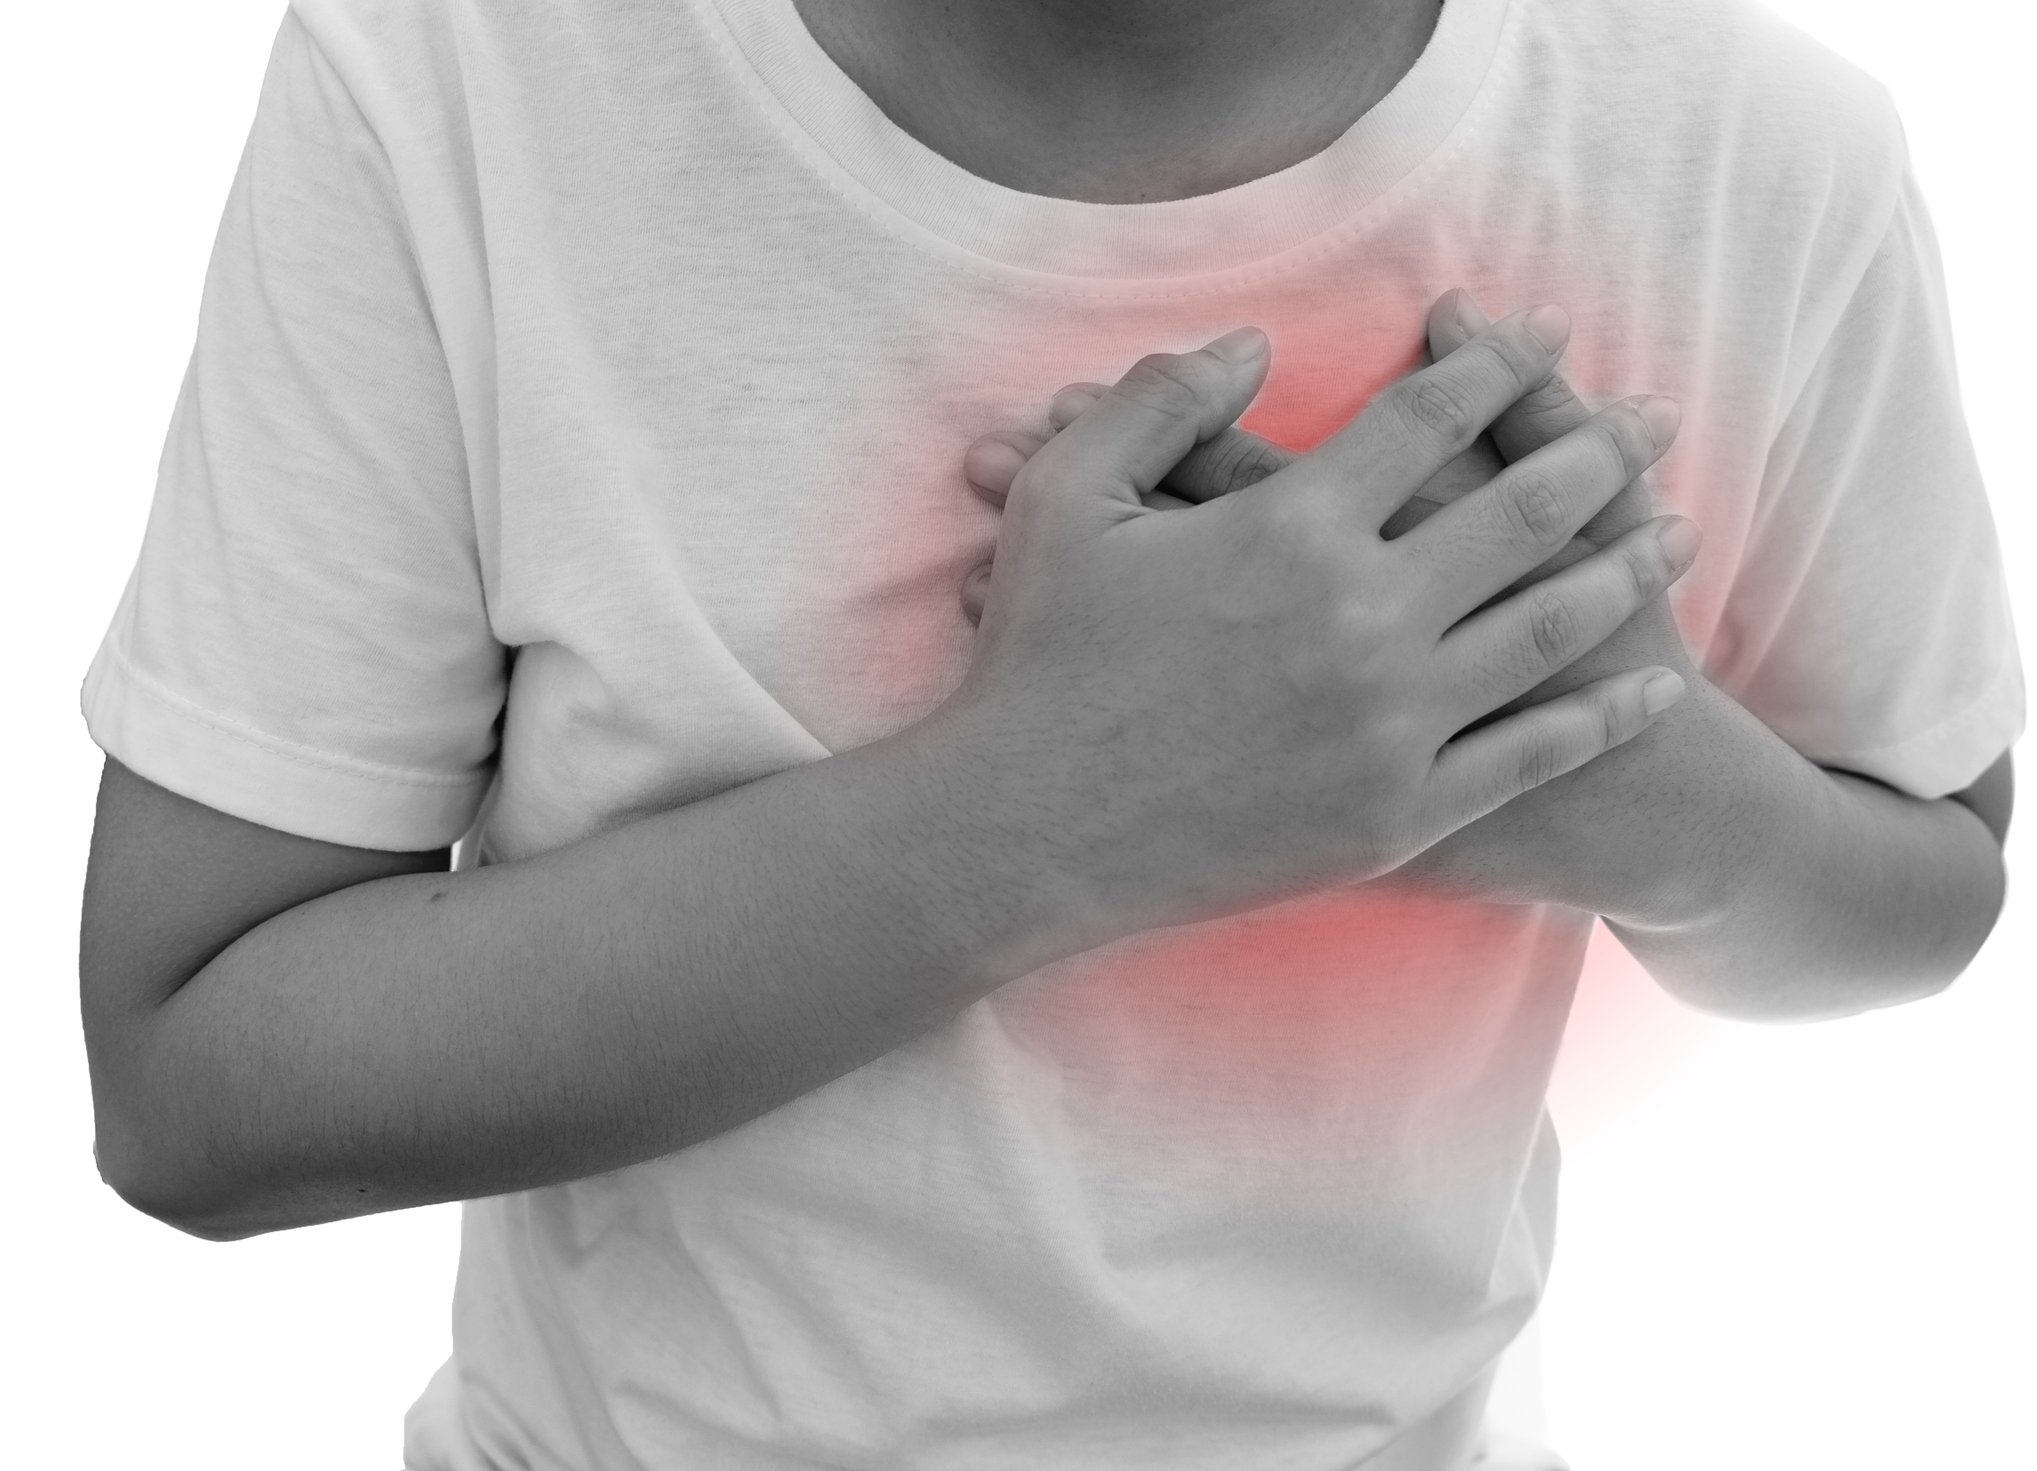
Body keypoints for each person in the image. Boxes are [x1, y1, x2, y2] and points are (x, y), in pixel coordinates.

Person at [75, 0, 2021, 1465]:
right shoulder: (455, 79)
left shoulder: (1754, 149)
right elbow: (200, 1085)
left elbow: (1924, 880)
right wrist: (1046, 815)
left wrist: (1608, 780)